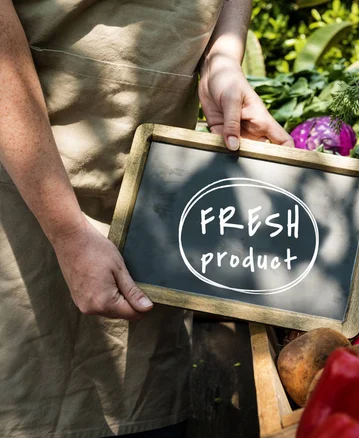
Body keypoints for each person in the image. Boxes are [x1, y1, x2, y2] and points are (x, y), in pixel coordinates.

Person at [0, 0, 293, 437]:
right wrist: (66, 232)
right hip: (31, 179)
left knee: (143, 403)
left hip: (154, 183)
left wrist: (223, 54)